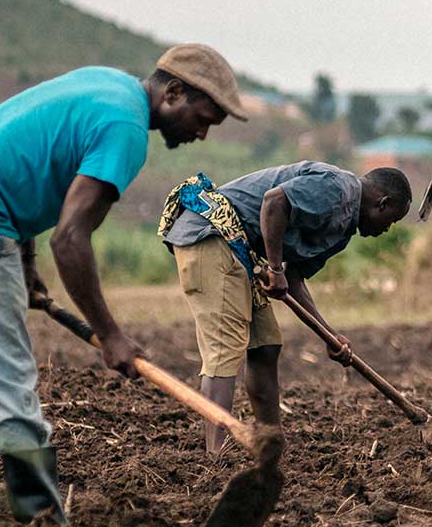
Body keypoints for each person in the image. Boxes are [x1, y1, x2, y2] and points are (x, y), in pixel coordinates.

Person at [0, 45, 246, 524]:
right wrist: (111, 334)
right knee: (6, 378)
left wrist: (23, 256)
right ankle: (43, 525)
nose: (201, 134)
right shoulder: (125, 131)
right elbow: (71, 238)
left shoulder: (109, 84)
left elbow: (32, 161)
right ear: (174, 91)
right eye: (202, 118)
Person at [159, 162, 414, 452]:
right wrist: (276, 268)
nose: (386, 230)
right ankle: (217, 453)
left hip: (241, 255)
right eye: (391, 221)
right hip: (210, 236)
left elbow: (293, 279)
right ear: (383, 203)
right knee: (224, 347)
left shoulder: (343, 230)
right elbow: (274, 202)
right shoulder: (338, 189)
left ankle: (270, 442)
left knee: (266, 345)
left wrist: (329, 335)